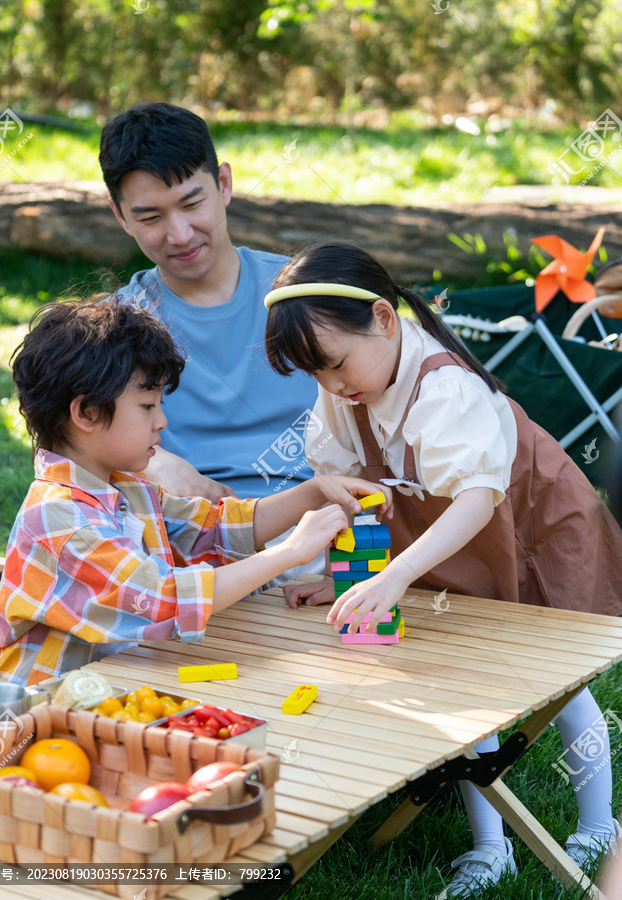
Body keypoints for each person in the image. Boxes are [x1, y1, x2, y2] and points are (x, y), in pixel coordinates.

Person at [263, 241, 622, 898]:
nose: (333, 386)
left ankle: (601, 823)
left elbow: (478, 499)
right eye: (315, 375)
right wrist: (336, 571)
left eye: (336, 364)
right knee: (466, 689)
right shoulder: (346, 392)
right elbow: (343, 487)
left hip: (527, 529)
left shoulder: (443, 388)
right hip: (447, 543)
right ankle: (491, 845)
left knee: (561, 681)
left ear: (382, 318)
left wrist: (396, 575)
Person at [0, 297, 388, 687]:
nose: (161, 422)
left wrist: (315, 491)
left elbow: (216, 529)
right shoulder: (58, 519)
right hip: (27, 715)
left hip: (108, 694)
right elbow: (162, 601)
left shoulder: (126, 487)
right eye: (147, 407)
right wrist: (289, 553)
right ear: (87, 412)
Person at [99, 102, 319, 506]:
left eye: (191, 204)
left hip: (325, 526)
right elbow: (67, 441)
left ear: (224, 184)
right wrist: (153, 464)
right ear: (121, 217)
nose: (180, 235)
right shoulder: (115, 328)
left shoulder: (308, 293)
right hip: (190, 537)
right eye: (150, 218)